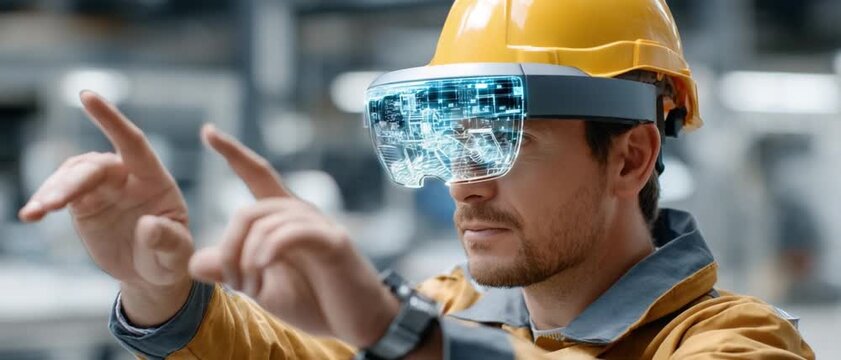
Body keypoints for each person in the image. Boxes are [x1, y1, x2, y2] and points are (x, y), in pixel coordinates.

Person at [19, 0, 815, 359]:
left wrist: (403, 339)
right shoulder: (450, 309)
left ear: (630, 157)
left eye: (504, 143)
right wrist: (161, 290)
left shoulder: (735, 342)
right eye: (452, 145)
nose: (462, 185)